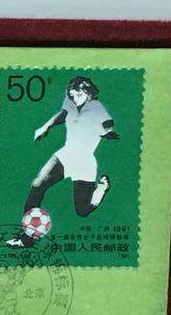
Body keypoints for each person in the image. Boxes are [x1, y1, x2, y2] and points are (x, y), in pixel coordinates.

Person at [7, 75, 119, 248]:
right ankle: (26, 239)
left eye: (79, 95)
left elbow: (108, 123)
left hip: (84, 162)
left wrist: (106, 132)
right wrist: (45, 127)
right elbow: (63, 114)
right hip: (66, 155)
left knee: (82, 211)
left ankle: (101, 190)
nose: (75, 99)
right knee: (37, 185)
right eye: (72, 96)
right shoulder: (70, 103)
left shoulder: (96, 107)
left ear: (88, 93)